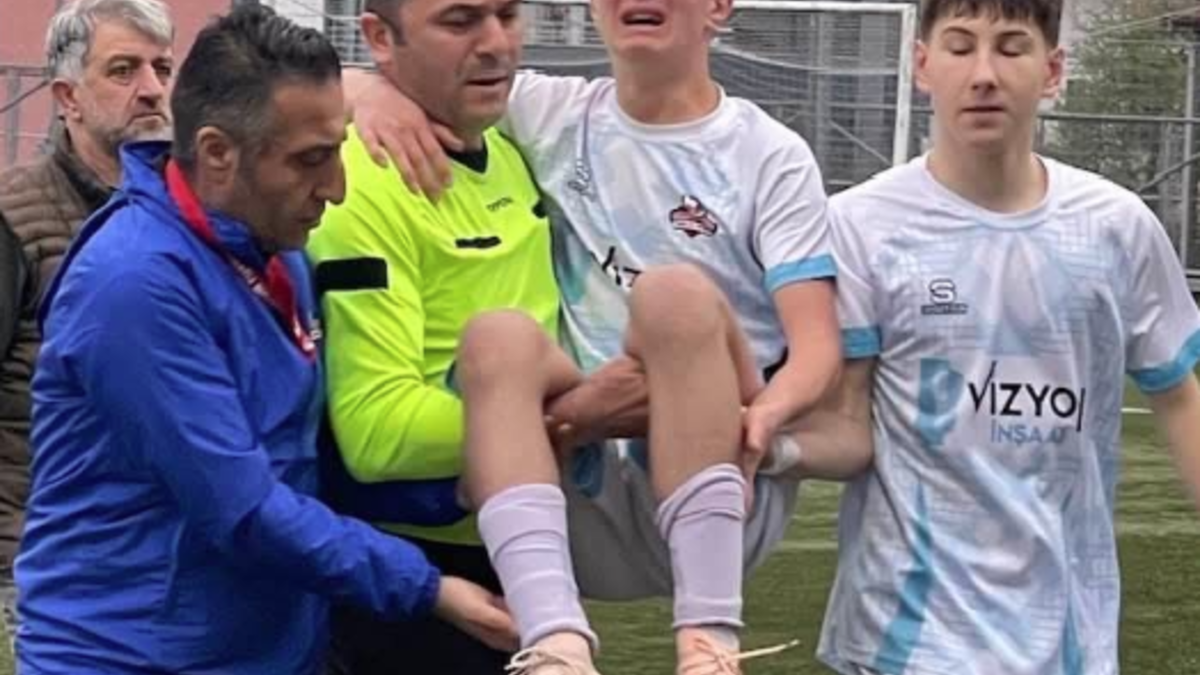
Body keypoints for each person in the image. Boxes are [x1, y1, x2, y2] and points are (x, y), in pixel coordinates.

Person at [346, 0, 866, 672]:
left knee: (672, 295)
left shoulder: (768, 154)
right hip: (578, 491)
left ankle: (710, 643)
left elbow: (816, 347)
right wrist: (371, 93)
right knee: (498, 338)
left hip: (718, 476)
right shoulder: (546, 111)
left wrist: (761, 425)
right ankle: (555, 645)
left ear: (718, 7)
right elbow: (354, 74)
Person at [15, 6, 516, 674]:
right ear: (217, 153)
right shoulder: (133, 284)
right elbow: (243, 509)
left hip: (266, 652)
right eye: (311, 160)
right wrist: (428, 587)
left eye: (337, 150)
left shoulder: (275, 255)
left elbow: (303, 464)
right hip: (129, 658)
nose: (336, 189)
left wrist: (463, 483)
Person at [790, 1, 1200, 673]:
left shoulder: (1116, 227)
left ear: (1053, 71)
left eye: (1011, 48)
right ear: (922, 64)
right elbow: (845, 425)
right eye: (960, 47)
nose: (984, 73)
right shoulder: (858, 227)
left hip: (1068, 645)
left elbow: (1180, 399)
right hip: (903, 642)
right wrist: (758, 439)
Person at [306, 0, 556, 673]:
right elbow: (376, 431)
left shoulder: (513, 152)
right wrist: (571, 422)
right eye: (460, 21)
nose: (496, 42)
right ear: (380, 38)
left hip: (524, 549)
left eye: (507, 14)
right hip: (416, 581)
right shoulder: (361, 178)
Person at [0, 0, 175, 637]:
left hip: (163, 563)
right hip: (42, 571)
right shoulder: (14, 219)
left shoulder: (190, 216)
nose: (152, 89)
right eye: (123, 70)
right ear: (67, 97)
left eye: (162, 68)